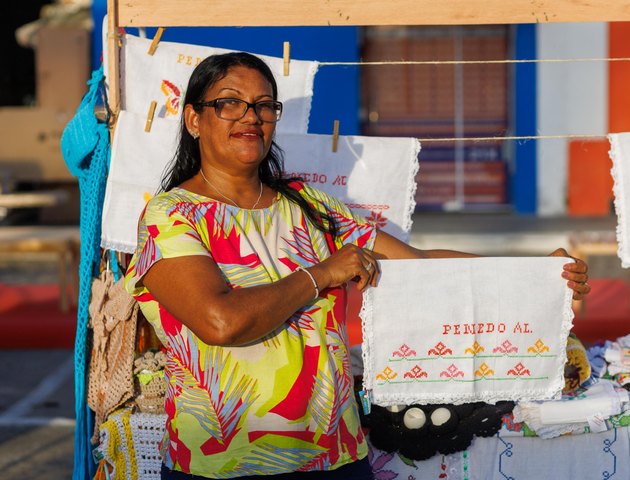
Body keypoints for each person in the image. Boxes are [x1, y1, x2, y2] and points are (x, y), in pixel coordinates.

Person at [125, 51, 590, 480]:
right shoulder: (170, 216)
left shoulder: (307, 204)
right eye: (230, 103)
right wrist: (322, 274)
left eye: (264, 105)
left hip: (336, 456)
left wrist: (536, 272)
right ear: (193, 118)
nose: (250, 116)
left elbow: (418, 265)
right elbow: (220, 321)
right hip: (222, 463)